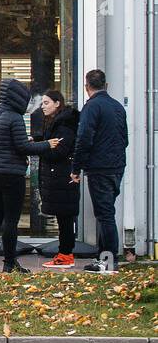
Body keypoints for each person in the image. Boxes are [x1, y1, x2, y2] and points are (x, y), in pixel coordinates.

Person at [0, 78, 56, 274]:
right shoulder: (15, 118)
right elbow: (23, 147)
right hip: (12, 174)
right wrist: (48, 144)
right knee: (11, 220)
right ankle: (10, 262)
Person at [71, 69, 128, 273]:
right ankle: (103, 258)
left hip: (99, 167)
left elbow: (84, 138)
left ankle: (108, 260)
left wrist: (76, 167)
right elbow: (125, 139)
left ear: (87, 87)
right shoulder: (117, 107)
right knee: (107, 212)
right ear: (106, 85)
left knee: (104, 215)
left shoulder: (92, 107)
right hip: (117, 165)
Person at [32, 90, 80, 269]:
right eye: (42, 103)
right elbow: (51, 142)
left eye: (46, 103)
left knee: (65, 218)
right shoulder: (57, 123)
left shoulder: (64, 125)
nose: (43, 106)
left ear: (57, 103)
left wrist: (40, 146)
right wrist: (40, 141)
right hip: (58, 177)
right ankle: (64, 253)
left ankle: (65, 255)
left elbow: (59, 150)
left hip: (62, 178)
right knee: (63, 217)